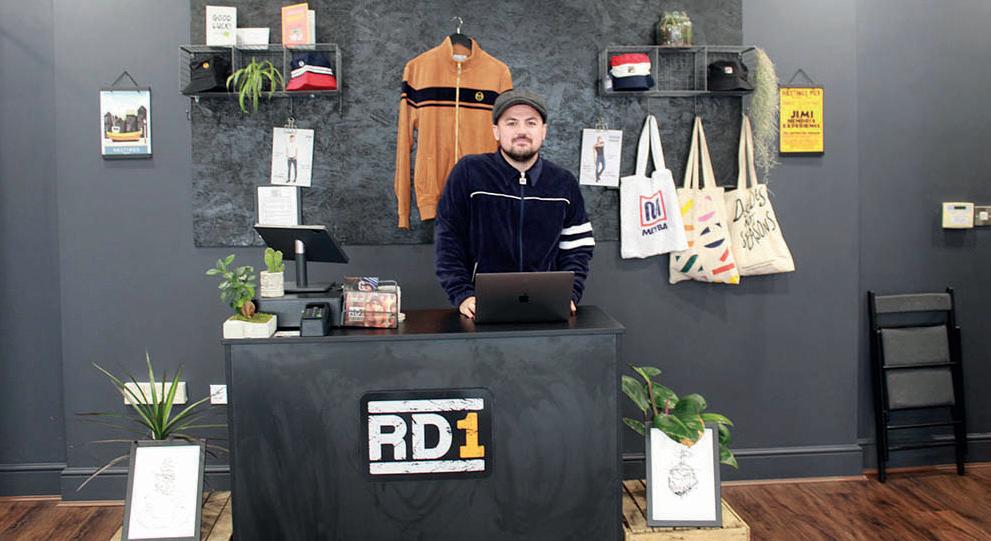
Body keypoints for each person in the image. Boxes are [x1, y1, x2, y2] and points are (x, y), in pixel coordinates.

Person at [434, 89, 595, 319]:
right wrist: (462, 294)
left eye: (531, 123)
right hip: (479, 308)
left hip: (547, 307)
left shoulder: (563, 183)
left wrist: (570, 294)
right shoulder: (469, 172)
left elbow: (578, 246)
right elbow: (448, 238)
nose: (521, 131)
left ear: (543, 131)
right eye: (511, 123)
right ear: (496, 131)